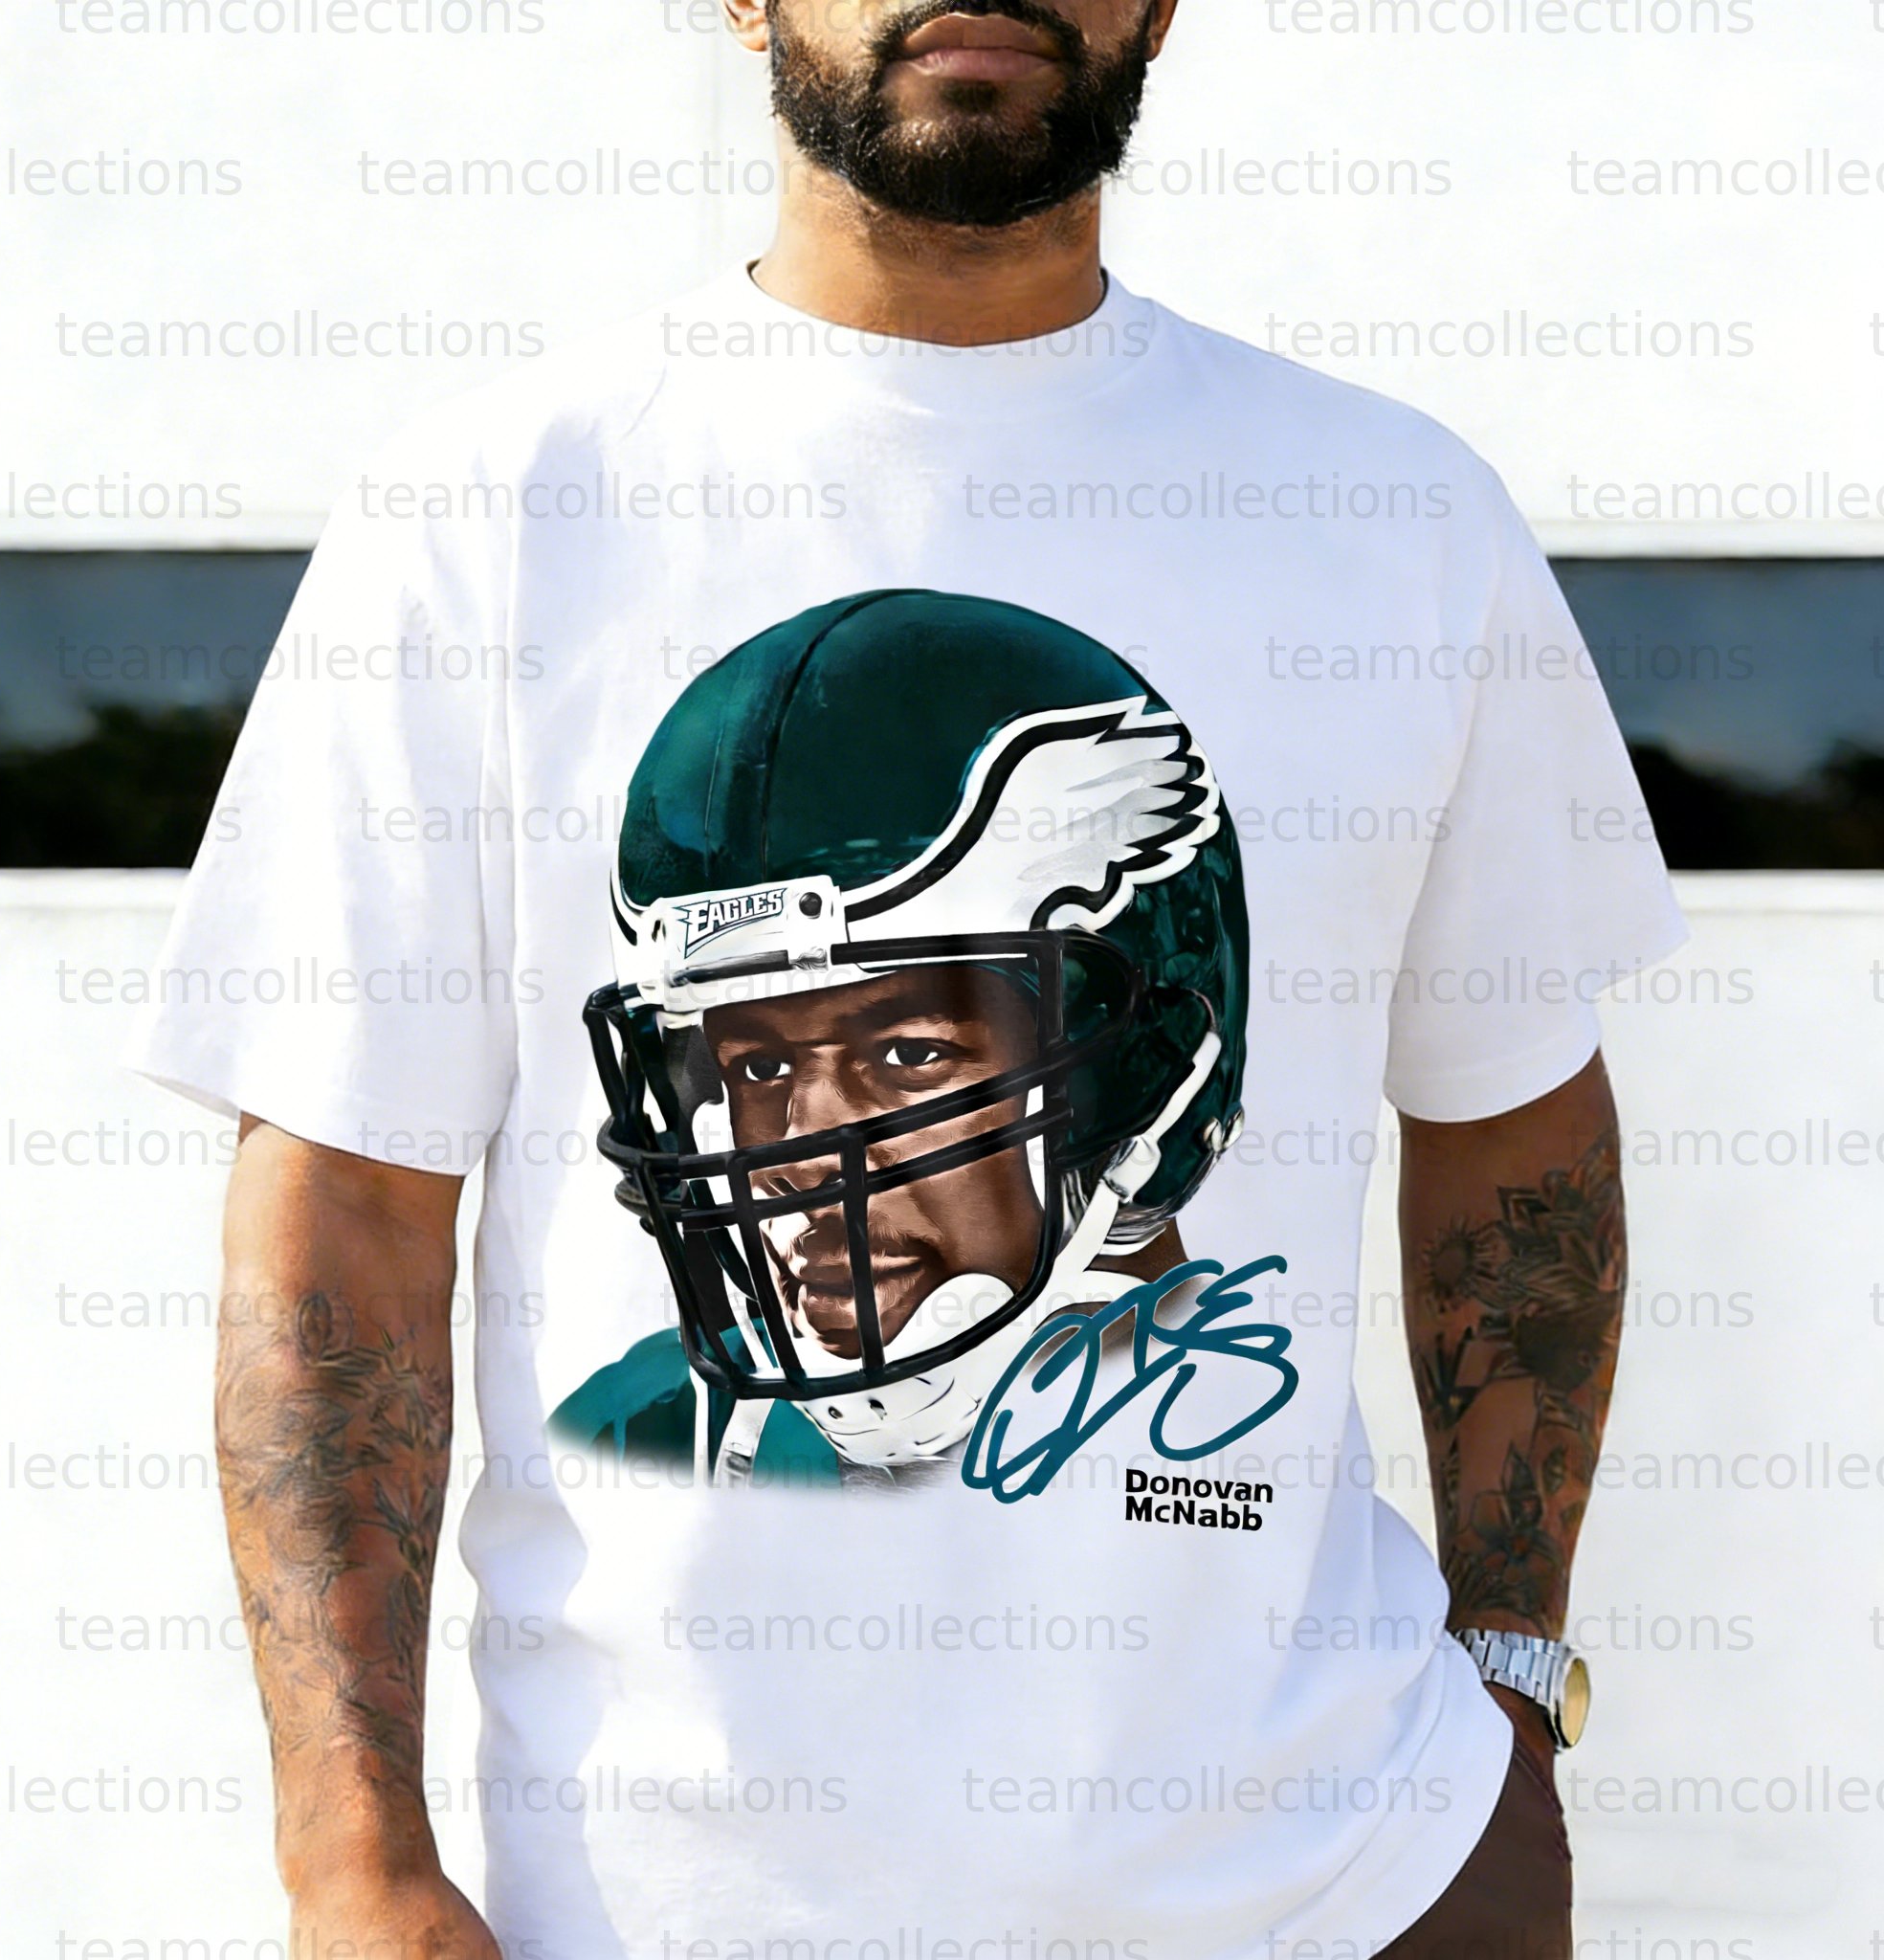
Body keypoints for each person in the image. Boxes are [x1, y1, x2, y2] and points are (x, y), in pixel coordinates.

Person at [131, 4, 1685, 1956]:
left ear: (1145, 1054)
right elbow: (343, 1213)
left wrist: (1511, 1696)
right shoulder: (488, 511)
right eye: (745, 1066)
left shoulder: (1393, 514)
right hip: (637, 1906)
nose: (803, 1156)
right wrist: (349, 1861)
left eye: (901, 1046)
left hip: (1331, 1885)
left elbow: (1515, 1128)